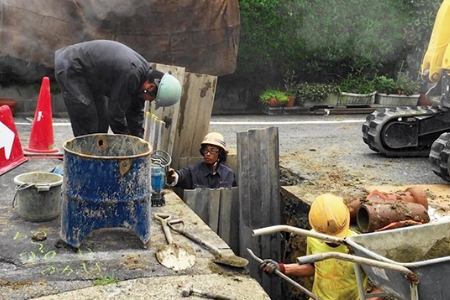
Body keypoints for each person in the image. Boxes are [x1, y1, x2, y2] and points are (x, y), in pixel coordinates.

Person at [260, 194, 384, 300]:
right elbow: (313, 266)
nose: (334, 241)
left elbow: (382, 285)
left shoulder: (359, 244)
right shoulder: (312, 238)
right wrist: (282, 268)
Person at [54, 40, 181, 138]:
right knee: (89, 122)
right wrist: (127, 142)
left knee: (101, 124)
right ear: (151, 87)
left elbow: (135, 113)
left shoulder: (142, 78)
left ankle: (96, 161)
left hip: (89, 77)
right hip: (71, 68)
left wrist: (139, 142)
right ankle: (84, 166)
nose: (151, 101)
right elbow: (115, 115)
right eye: (153, 99)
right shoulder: (131, 74)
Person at [166, 132, 237, 189]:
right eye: (205, 150)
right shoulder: (192, 171)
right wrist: (173, 177)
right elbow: (180, 176)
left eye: (213, 150)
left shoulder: (228, 174)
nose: (208, 154)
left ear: (220, 153)